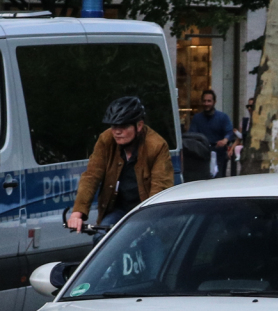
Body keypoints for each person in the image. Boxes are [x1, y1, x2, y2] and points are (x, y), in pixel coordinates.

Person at [68, 96, 174, 235]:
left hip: (145, 210)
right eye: (113, 126)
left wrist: (150, 220)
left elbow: (160, 186)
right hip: (118, 210)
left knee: (151, 250)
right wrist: (77, 213)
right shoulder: (106, 140)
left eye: (123, 126)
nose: (117, 132)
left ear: (139, 126)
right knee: (101, 239)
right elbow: (91, 176)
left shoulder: (157, 146)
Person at [188, 89, 234, 176]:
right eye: (204, 101)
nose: (206, 104)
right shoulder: (197, 118)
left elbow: (229, 132)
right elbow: (192, 135)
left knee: (218, 179)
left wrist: (224, 140)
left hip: (218, 154)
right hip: (201, 154)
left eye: (209, 101)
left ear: (214, 102)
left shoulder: (223, 117)